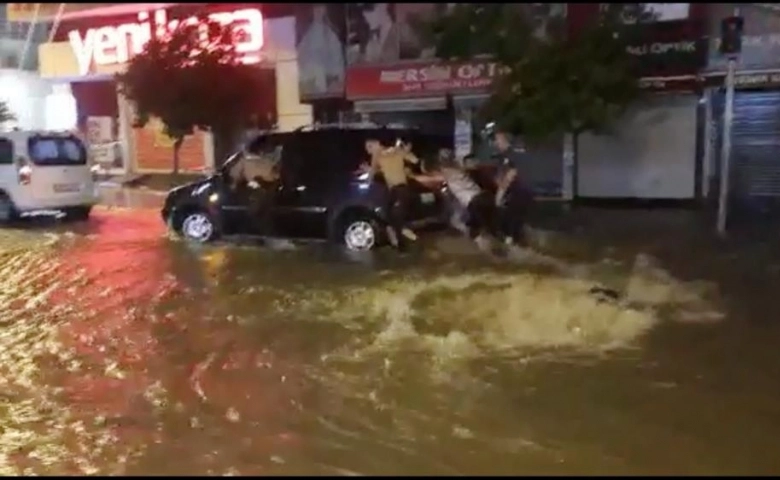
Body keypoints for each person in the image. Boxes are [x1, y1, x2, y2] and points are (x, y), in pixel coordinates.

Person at [420, 148, 497, 249]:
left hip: (475, 202)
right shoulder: (458, 168)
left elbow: (430, 174)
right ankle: (507, 245)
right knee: (489, 227)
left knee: (469, 228)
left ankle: (491, 251)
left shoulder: (445, 172)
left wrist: (421, 169)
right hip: (485, 197)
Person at [361, 136, 419, 249]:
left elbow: (372, 175)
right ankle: (399, 237)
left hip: (401, 190)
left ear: (377, 143)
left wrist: (366, 182)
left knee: (394, 217)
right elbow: (414, 160)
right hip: (395, 190)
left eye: (369, 146)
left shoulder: (378, 155)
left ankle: (402, 245)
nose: (368, 150)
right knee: (386, 216)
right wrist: (404, 151)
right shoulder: (392, 152)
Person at [493, 130, 534, 247]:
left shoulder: (509, 155)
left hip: (517, 193)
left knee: (509, 223)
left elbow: (511, 174)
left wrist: (500, 194)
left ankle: (510, 250)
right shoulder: (513, 154)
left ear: (504, 140)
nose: (496, 143)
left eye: (497, 140)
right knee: (515, 223)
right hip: (524, 192)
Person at [228, 147, 280, 236]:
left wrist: (233, 187)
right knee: (264, 215)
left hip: (256, 192)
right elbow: (276, 176)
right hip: (269, 191)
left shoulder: (244, 162)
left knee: (255, 214)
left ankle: (257, 235)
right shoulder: (268, 161)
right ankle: (267, 235)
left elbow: (235, 176)